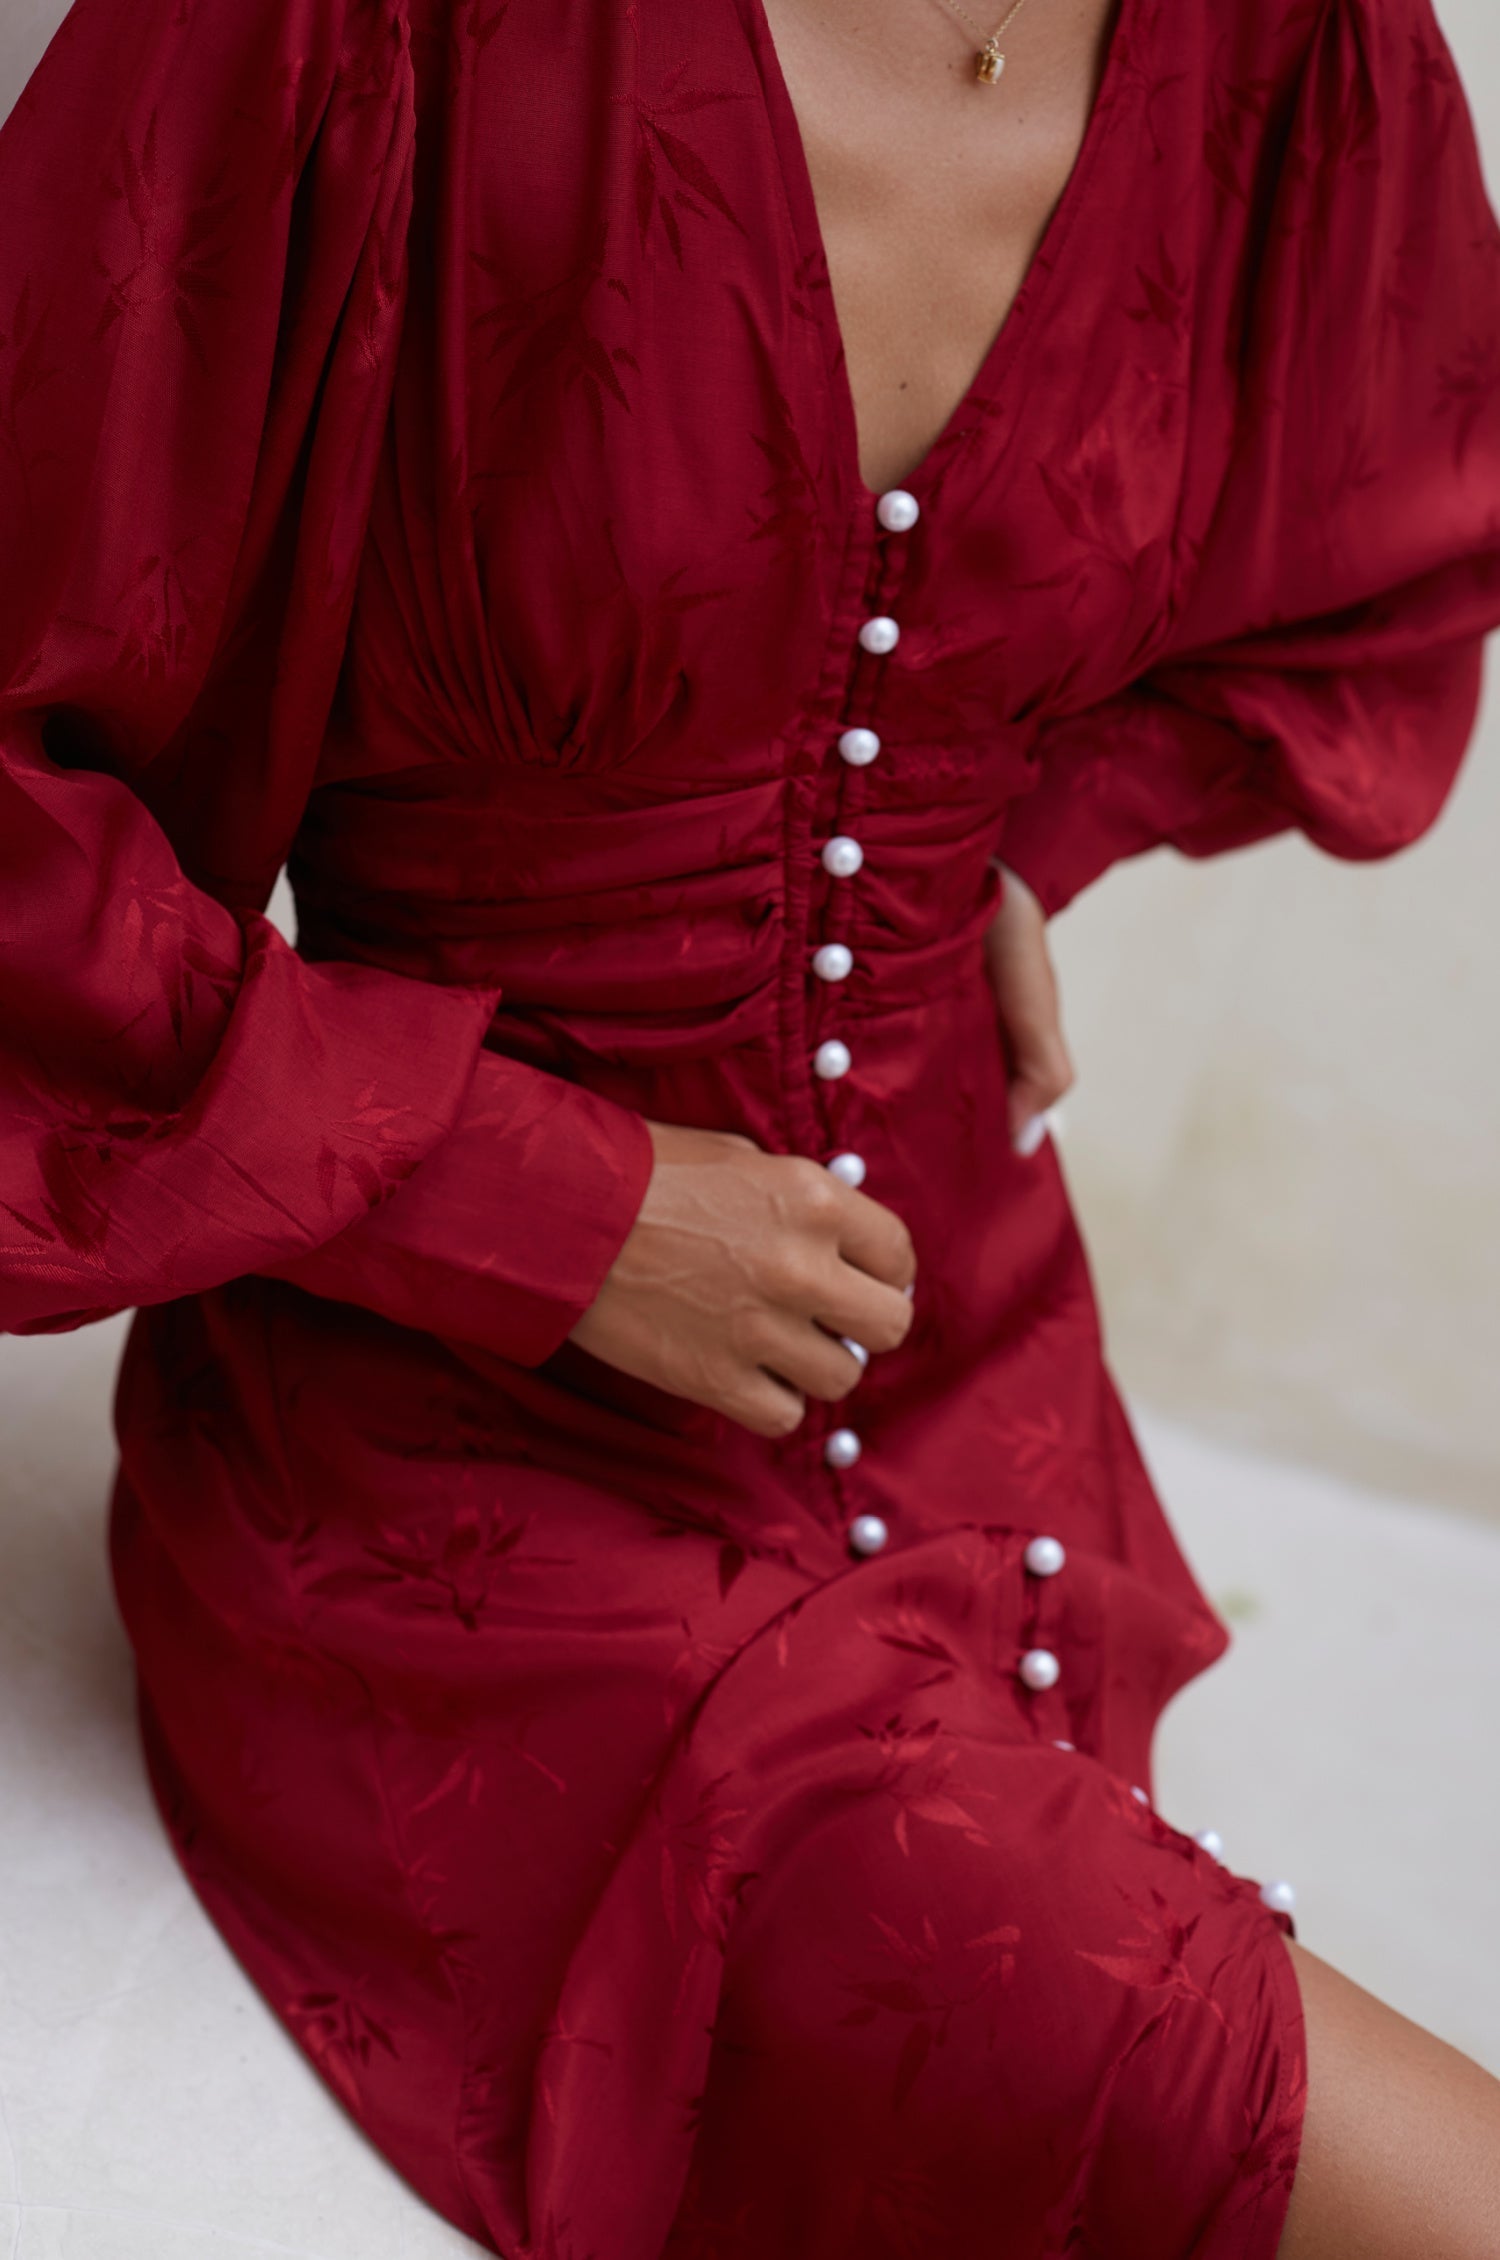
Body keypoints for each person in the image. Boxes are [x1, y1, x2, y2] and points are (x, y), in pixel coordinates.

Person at [2, 0, 1498, 2250]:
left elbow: (1402, 536)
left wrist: (1020, 826)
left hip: (989, 1391)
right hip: (443, 1476)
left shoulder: (1291, 47)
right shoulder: (344, 31)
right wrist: (542, 1198)